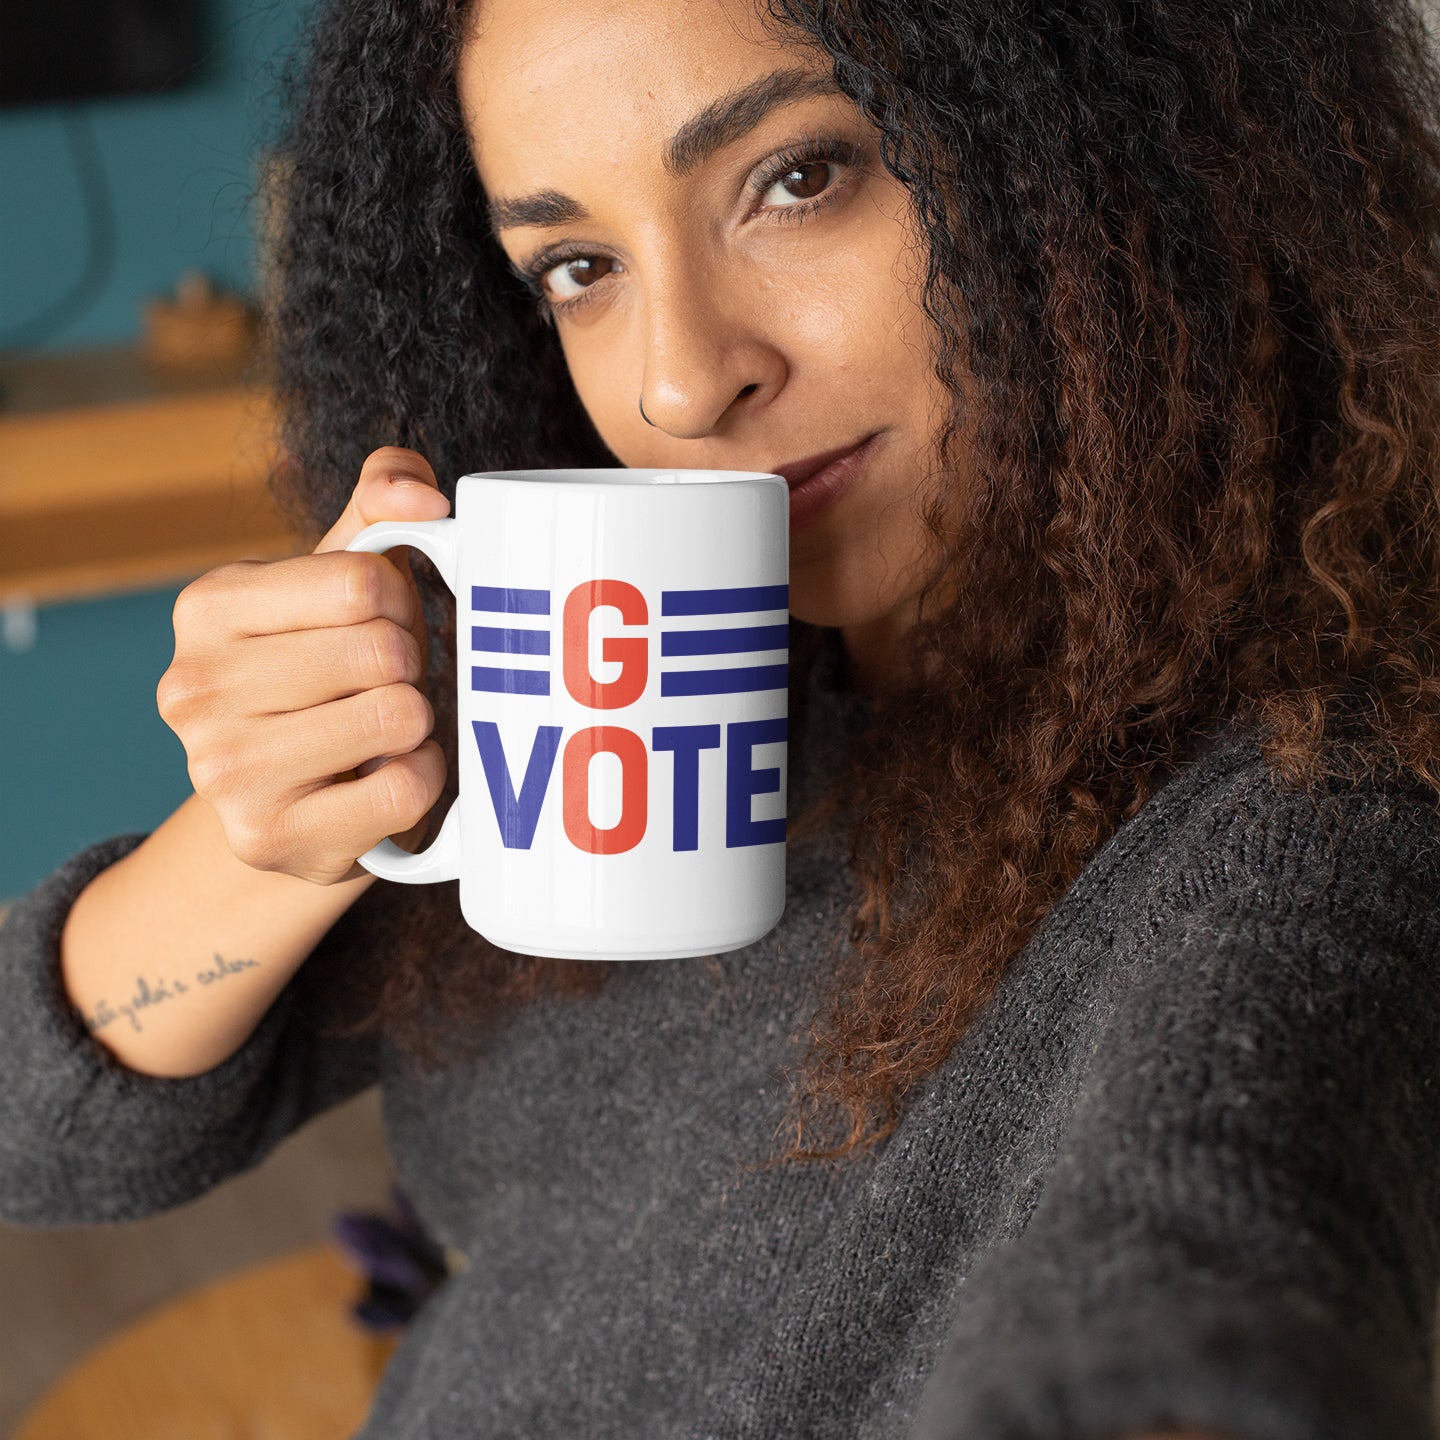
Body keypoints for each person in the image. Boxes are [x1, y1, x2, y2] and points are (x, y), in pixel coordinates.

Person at [2, 0, 1438, 1435]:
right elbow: (38, 1138)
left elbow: (1204, 1292)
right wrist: (273, 832)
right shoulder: (607, 692)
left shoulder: (1307, 817)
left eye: (798, 178)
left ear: (1113, 137)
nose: (681, 384)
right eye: (577, 268)